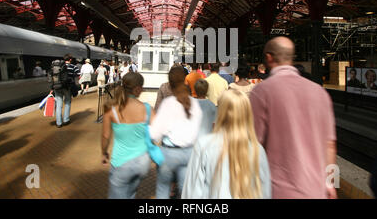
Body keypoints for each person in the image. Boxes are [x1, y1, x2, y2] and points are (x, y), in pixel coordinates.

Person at [250, 37, 337, 199]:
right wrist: (331, 183)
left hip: (278, 191)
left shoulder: (262, 91)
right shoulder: (320, 93)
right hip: (316, 190)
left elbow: (253, 144)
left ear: (269, 57)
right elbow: (330, 145)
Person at [182, 89, 271, 199]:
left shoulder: (204, 145)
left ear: (221, 112)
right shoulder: (258, 150)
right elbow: (264, 191)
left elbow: (192, 192)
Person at [149, 66, 203, 199]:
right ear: (185, 79)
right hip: (189, 153)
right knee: (186, 192)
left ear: (170, 81)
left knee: (163, 189)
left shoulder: (168, 103)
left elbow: (155, 133)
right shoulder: (194, 103)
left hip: (169, 153)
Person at [101, 72, 152, 199]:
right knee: (130, 193)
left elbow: (106, 136)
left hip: (121, 163)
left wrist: (104, 152)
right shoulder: (147, 109)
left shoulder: (111, 109)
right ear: (137, 89)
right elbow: (157, 133)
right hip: (143, 163)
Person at [52, 54, 80, 128]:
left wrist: (51, 89)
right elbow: (78, 76)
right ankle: (66, 120)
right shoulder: (73, 67)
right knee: (67, 102)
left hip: (57, 87)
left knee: (59, 104)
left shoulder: (58, 66)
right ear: (70, 59)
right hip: (67, 87)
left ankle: (59, 123)